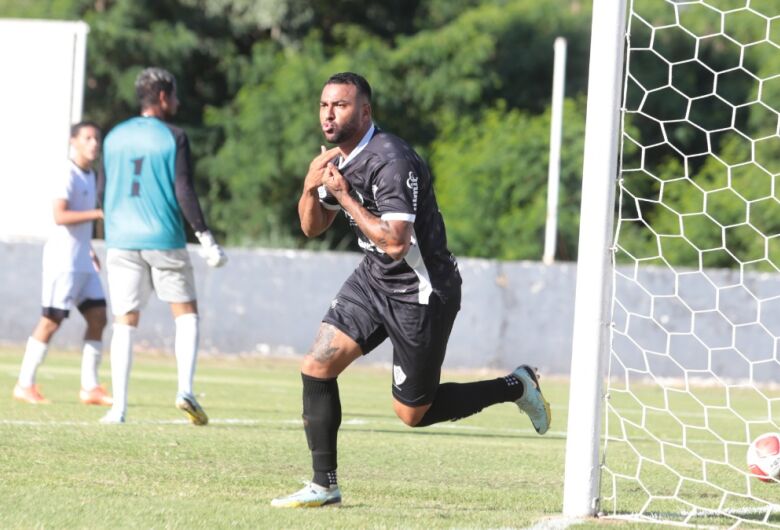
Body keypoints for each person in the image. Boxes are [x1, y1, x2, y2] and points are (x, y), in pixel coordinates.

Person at [271, 72, 552, 508]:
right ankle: (324, 486)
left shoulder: (391, 160)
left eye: (340, 105)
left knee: (412, 415)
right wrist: (311, 185)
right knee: (317, 365)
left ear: (364, 111)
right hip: (373, 279)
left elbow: (397, 243)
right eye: (324, 105)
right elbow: (312, 227)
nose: (329, 114)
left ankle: (515, 386)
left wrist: (344, 197)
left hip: (421, 290)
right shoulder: (336, 159)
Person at [97, 67, 227, 425]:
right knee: (186, 314)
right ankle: (185, 388)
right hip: (163, 237)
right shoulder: (174, 136)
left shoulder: (113, 137)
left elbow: (102, 192)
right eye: (176, 95)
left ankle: (118, 408)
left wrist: (103, 237)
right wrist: (205, 236)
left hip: (120, 240)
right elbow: (183, 188)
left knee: (124, 321)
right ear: (164, 97)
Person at [13, 121, 112, 407]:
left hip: (82, 260)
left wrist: (90, 248)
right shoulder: (65, 172)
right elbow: (60, 216)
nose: (94, 143)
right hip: (63, 262)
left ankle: (90, 387)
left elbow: (80, 222)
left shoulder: (91, 175)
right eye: (88, 138)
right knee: (51, 321)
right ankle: (24, 383)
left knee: (98, 317)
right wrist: (97, 213)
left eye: (97, 138)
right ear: (74, 142)